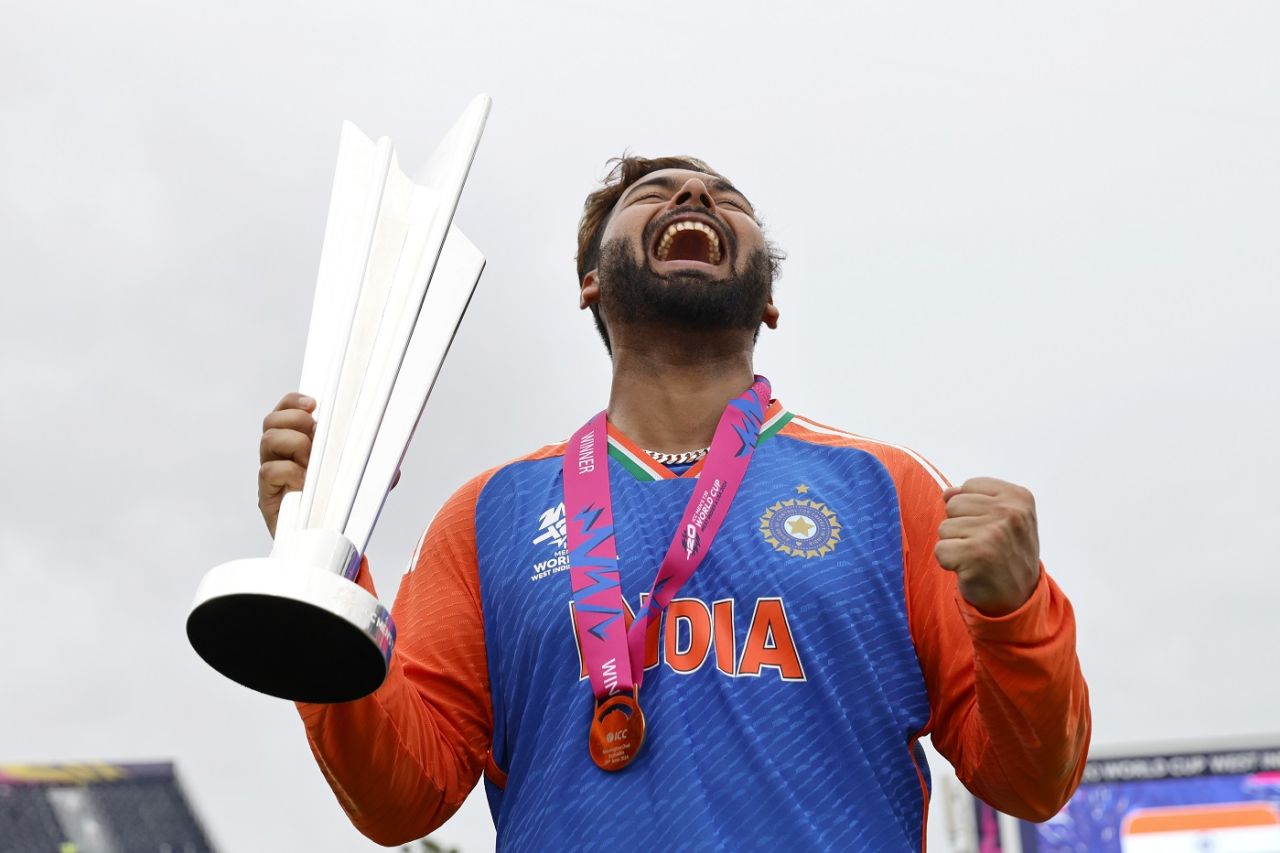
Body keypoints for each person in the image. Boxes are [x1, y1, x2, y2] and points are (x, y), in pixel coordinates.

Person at [257, 155, 1091, 850]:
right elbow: (403, 796)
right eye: (652, 196)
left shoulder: (886, 489)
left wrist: (1017, 612)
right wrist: (318, 570)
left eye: (729, 200)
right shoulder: (490, 515)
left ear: (767, 298)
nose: (695, 196)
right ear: (590, 282)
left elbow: (1031, 779)